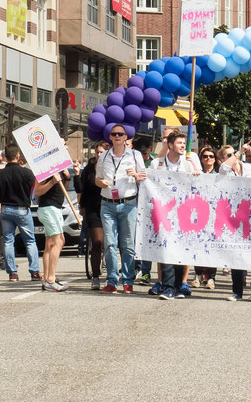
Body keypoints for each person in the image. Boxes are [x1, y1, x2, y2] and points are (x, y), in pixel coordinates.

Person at [95, 124, 147, 294]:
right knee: (110, 244)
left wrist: (136, 175)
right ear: (110, 137)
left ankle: (128, 280)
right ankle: (111, 280)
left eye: (120, 134)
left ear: (126, 137)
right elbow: (97, 179)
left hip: (129, 203)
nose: (117, 136)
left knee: (127, 244)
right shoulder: (103, 156)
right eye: (114, 134)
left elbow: (144, 178)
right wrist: (100, 183)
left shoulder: (135, 155)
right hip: (107, 203)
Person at [216, 144, 251, 302]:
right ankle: (237, 291)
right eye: (228, 154)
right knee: (236, 254)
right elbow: (224, 167)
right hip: (235, 217)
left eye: (233, 153)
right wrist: (238, 152)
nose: (232, 157)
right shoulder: (225, 171)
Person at [151, 132, 196, 300]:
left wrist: (197, 175)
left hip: (182, 214)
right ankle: (168, 286)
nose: (183, 145)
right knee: (167, 248)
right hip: (164, 213)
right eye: (179, 143)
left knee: (179, 250)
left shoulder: (188, 165)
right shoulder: (158, 164)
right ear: (170, 145)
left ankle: (177, 286)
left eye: (184, 143)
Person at [0, 144, 40, 282]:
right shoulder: (26, 173)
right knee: (30, 241)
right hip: (22, 209)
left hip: (6, 208)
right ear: (18, 155)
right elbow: (34, 190)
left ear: (5, 157)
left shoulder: (0, 173)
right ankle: (34, 271)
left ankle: (12, 273)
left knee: (8, 241)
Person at [33, 168, 72, 292]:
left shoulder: (60, 169)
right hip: (48, 208)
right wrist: (52, 182)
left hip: (56, 208)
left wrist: (68, 178)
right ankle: (51, 279)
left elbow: (62, 190)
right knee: (59, 241)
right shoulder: (45, 169)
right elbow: (37, 191)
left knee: (50, 244)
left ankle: (47, 279)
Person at [80, 141, 107, 290]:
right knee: (97, 241)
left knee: (111, 243)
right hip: (93, 209)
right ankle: (96, 276)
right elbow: (83, 189)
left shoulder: (111, 166)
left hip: (109, 206)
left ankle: (115, 276)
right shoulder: (89, 169)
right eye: (97, 152)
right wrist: (81, 206)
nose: (99, 155)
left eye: (102, 152)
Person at [194, 145, 218, 289]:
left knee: (212, 247)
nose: (208, 159)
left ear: (215, 159)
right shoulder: (196, 174)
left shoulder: (219, 175)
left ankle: (211, 278)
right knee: (197, 246)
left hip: (214, 215)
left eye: (211, 156)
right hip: (198, 214)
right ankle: (197, 275)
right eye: (205, 156)